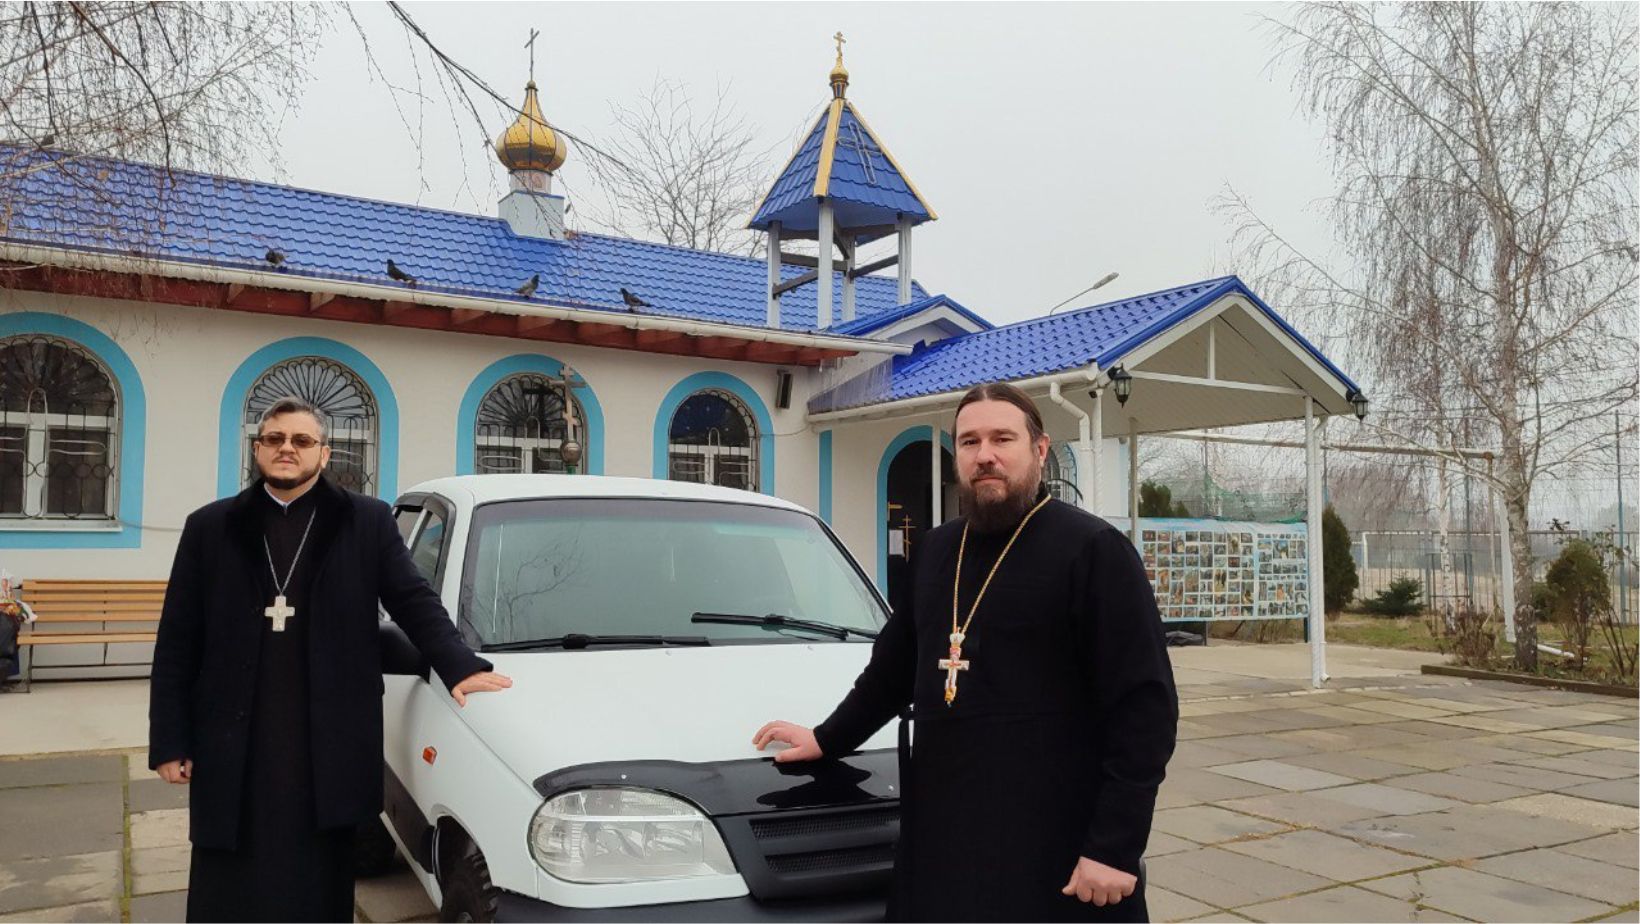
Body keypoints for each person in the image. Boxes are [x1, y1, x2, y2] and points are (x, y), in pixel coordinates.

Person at [754, 382, 1178, 922]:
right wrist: (827, 737)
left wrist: (1114, 847)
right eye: (970, 442)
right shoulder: (935, 550)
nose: (986, 456)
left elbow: (1145, 709)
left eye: (1003, 438)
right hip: (946, 837)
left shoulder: (1093, 551)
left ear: (1040, 450)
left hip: (1054, 839)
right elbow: (891, 672)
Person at [149, 396, 512, 923]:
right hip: (233, 735)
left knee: (316, 880)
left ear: (324, 453)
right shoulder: (211, 527)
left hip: (327, 736)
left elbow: (412, 599)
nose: (287, 450)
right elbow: (178, 639)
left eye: (301, 440)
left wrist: (459, 664)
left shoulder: (364, 521)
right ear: (258, 450)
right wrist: (171, 740)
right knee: (227, 878)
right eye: (275, 439)